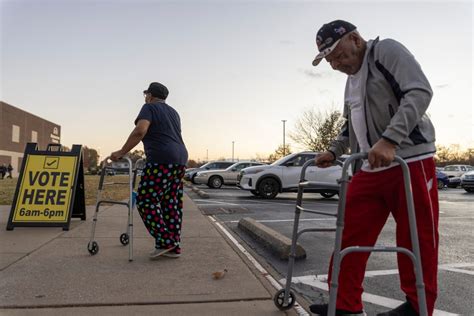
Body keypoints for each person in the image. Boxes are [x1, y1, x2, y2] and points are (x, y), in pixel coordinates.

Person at [309, 21, 438, 316]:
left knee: (417, 237)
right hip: (368, 166)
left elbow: (419, 92)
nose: (336, 64)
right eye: (329, 60)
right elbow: (350, 124)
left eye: (338, 56)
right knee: (350, 234)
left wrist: (390, 140)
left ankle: (418, 306)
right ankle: (344, 304)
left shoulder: (386, 51)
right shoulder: (350, 81)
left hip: (408, 161)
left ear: (355, 39)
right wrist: (334, 150)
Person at [111, 82, 188, 259]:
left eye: (146, 94)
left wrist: (122, 152)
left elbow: (140, 131)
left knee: (146, 201)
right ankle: (173, 247)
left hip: (161, 159)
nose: (145, 97)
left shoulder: (149, 107)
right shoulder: (174, 112)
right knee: (171, 204)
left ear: (150, 95)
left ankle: (166, 241)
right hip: (180, 159)